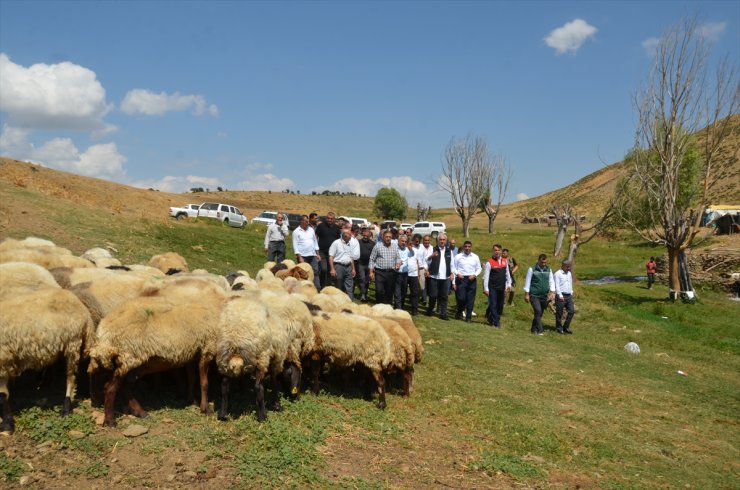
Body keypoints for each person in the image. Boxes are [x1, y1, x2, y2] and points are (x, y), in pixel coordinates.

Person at [523, 254, 555, 335]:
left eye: (545, 262)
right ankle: (540, 330)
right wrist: (526, 294)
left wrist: (552, 292)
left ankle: (533, 329)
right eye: (542, 262)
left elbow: (551, 281)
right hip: (534, 295)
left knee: (540, 313)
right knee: (538, 310)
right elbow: (528, 282)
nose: (544, 264)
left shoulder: (549, 270)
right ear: (538, 260)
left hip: (544, 296)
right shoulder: (532, 269)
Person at [452, 240, 482, 323]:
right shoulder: (458, 256)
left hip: (472, 279)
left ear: (471, 247)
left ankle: (468, 317)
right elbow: (453, 267)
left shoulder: (475, 257)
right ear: (463, 247)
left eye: (469, 247)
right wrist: (457, 274)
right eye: (466, 246)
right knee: (461, 298)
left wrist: (475, 275)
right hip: (461, 279)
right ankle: (459, 312)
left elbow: (479, 268)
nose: (467, 248)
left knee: (470, 299)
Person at [426, 233, 454, 320]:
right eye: (440, 240)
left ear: (446, 241)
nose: (442, 241)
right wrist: (432, 256)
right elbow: (426, 260)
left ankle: (443, 314)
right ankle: (430, 310)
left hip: (445, 277)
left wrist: (452, 273)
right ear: (437, 240)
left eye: (443, 240)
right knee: (433, 295)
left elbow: (452, 264)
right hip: (434, 276)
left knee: (444, 296)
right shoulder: (432, 249)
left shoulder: (449, 251)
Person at [483, 244, 511, 328]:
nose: (497, 252)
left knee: (500, 305)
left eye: (498, 250)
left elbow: (507, 274)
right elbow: (486, 276)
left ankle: (492, 318)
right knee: (493, 304)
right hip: (492, 287)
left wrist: (508, 284)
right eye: (495, 250)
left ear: (501, 251)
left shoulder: (504, 261)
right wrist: (486, 288)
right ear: (493, 251)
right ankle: (496, 322)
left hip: (502, 287)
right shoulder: (489, 262)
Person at [369, 229, 399, 305]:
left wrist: (398, 263)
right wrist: (371, 271)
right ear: (383, 237)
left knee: (389, 291)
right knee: (379, 290)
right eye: (386, 237)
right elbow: (372, 259)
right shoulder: (377, 246)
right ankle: (379, 305)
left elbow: (398, 258)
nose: (388, 238)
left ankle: (387, 306)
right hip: (380, 272)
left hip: (391, 272)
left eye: (390, 237)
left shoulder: (395, 246)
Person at [292, 215, 321, 289]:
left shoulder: (311, 229)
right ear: (301, 221)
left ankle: (317, 288)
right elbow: (295, 245)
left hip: (312, 254)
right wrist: (299, 257)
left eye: (308, 221)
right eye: (306, 221)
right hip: (303, 256)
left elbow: (315, 242)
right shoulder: (296, 232)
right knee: (303, 273)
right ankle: (304, 287)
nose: (308, 223)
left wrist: (317, 254)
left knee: (315, 271)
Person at [315, 212, 341, 290]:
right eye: (328, 218)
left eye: (331, 219)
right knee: (323, 269)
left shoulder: (336, 228)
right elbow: (315, 237)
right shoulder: (321, 226)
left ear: (334, 219)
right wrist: (316, 251)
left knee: (330, 270)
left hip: (332, 253)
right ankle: (321, 285)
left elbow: (338, 240)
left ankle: (328, 287)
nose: (329, 220)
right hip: (322, 251)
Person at [329, 228, 356, 300]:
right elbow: (331, 256)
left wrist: (353, 268)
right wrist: (332, 269)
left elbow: (351, 257)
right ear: (344, 235)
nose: (351, 236)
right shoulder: (336, 243)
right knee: (339, 284)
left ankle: (350, 301)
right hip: (339, 266)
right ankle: (338, 300)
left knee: (350, 285)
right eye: (350, 234)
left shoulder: (350, 244)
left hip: (348, 266)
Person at [394, 235, 415, 311]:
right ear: (399, 241)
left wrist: (410, 249)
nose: (404, 243)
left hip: (405, 273)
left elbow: (412, 254)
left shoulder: (407, 249)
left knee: (403, 291)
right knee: (397, 291)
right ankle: (398, 307)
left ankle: (400, 306)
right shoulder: (394, 249)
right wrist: (396, 264)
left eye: (405, 241)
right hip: (396, 273)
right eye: (402, 241)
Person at [554, 260, 575, 334]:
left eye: (570, 267)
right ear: (563, 266)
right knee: (559, 313)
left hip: (568, 296)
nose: (569, 268)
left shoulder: (569, 273)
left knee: (572, 311)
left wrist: (571, 291)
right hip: (561, 296)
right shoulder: (557, 274)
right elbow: (557, 285)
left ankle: (566, 327)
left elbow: (570, 283)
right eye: (568, 267)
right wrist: (560, 295)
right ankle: (559, 328)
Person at [357, 228, 375, 301]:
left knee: (367, 280)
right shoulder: (358, 242)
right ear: (362, 235)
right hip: (360, 263)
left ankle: (365, 293)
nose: (365, 237)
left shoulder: (373, 243)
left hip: (369, 264)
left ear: (370, 236)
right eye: (364, 235)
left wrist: (373, 266)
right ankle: (362, 294)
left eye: (367, 236)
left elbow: (374, 255)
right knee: (362, 279)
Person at [417, 234, 433, 305]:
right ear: (423, 241)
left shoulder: (432, 248)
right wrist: (425, 269)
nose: (426, 242)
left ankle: (426, 297)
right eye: (425, 240)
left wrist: (429, 270)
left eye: (428, 240)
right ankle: (424, 298)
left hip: (430, 268)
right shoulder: (420, 247)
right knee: (422, 283)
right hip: (422, 267)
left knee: (430, 284)